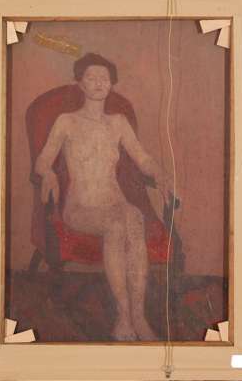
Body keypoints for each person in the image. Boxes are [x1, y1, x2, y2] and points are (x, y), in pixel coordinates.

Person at [35, 53, 171, 341]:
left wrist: (158, 172)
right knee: (116, 224)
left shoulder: (118, 122)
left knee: (133, 217)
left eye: (104, 78)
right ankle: (123, 316)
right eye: (91, 77)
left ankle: (138, 316)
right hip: (80, 208)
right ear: (80, 83)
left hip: (114, 202)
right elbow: (43, 161)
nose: (98, 83)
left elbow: (142, 158)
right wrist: (48, 174)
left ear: (111, 84)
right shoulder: (66, 121)